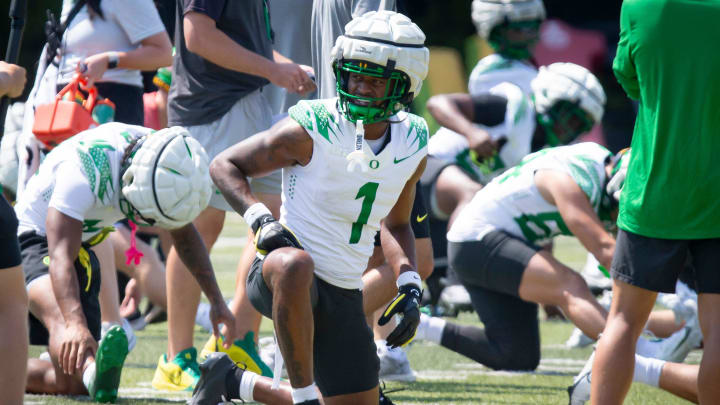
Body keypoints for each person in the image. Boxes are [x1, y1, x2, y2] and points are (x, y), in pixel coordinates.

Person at [190, 10, 429, 405]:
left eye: (374, 79)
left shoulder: (413, 142)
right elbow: (224, 165)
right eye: (354, 74)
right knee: (294, 264)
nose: (359, 86)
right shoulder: (311, 127)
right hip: (281, 275)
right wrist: (260, 220)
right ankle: (302, 397)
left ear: (404, 85)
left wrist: (408, 283)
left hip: (346, 289)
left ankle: (232, 381)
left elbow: (398, 223)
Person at [154, 0, 317, 391]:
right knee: (200, 228)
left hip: (248, 106)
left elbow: (249, 44)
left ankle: (239, 338)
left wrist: (286, 68)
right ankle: (177, 359)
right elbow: (198, 37)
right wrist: (274, 70)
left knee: (272, 219)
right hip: (210, 112)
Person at [414, 145, 691, 372]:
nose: (618, 218)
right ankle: (640, 358)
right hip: (474, 241)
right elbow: (606, 251)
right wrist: (677, 293)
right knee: (570, 285)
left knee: (515, 356)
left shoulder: (594, 171)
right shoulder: (569, 177)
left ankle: (421, 326)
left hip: (496, 242)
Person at [14, 123, 235, 402]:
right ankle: (90, 366)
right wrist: (75, 322)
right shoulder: (85, 171)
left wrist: (216, 300)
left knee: (72, 383)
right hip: (33, 237)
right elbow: (60, 257)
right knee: (64, 321)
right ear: (131, 181)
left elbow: (185, 235)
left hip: (80, 242)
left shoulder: (164, 160)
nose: (149, 225)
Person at [590, 1, 720, 404]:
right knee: (718, 327)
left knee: (624, 322)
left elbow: (628, 76)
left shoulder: (641, 4)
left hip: (654, 190)